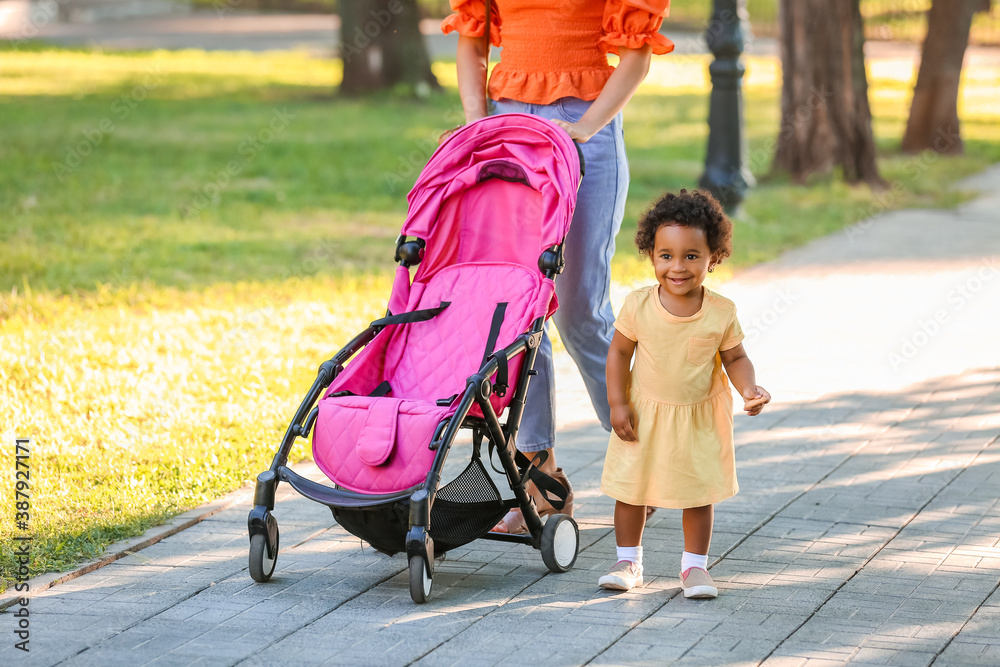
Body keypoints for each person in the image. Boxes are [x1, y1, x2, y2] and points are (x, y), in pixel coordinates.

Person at [441, 0, 675, 534]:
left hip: (588, 131)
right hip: (509, 129)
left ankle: (646, 457)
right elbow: (473, 43)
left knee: (580, 313)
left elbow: (636, 58)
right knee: (520, 311)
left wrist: (586, 128)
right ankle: (539, 474)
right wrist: (479, 127)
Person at [598, 190, 770, 597]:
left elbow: (736, 357)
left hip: (698, 419)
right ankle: (628, 561)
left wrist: (749, 387)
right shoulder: (638, 305)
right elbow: (619, 354)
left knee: (698, 493)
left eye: (692, 256)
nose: (677, 267)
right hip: (644, 414)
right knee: (631, 489)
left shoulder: (721, 311)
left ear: (714, 257)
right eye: (666, 255)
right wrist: (617, 403)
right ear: (651, 255)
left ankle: (694, 568)